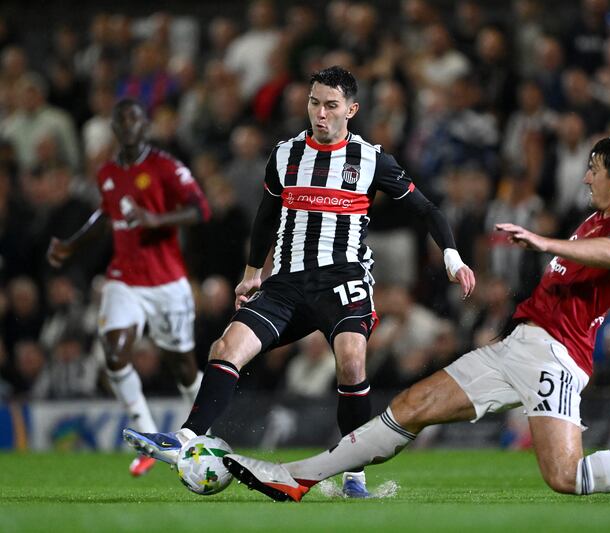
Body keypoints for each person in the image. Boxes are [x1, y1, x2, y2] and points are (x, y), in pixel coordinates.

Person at [222, 136, 610, 504]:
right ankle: (297, 478)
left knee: (565, 477)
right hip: (519, 344)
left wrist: (546, 242)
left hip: (557, 354)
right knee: (411, 406)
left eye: (594, 171)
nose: (585, 179)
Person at [123, 66, 476, 497]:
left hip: (344, 280)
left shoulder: (371, 159)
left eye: (331, 105)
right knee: (226, 347)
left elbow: (428, 210)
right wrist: (252, 274)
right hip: (287, 283)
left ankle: (354, 474)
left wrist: (453, 259)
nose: (320, 113)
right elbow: (266, 215)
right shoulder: (285, 154)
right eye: (314, 103)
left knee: (351, 359)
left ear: (352, 109)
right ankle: (186, 439)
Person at [48, 99, 210, 476]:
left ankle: (204, 433)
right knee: (115, 351)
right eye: (121, 121)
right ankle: (150, 437)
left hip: (167, 281)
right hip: (125, 279)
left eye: (135, 119)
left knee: (183, 366)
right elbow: (106, 214)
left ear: (145, 125)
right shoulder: (107, 172)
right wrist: (72, 243)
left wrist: (156, 218)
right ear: (115, 129)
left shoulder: (165, 166)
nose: (129, 126)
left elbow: (201, 209)